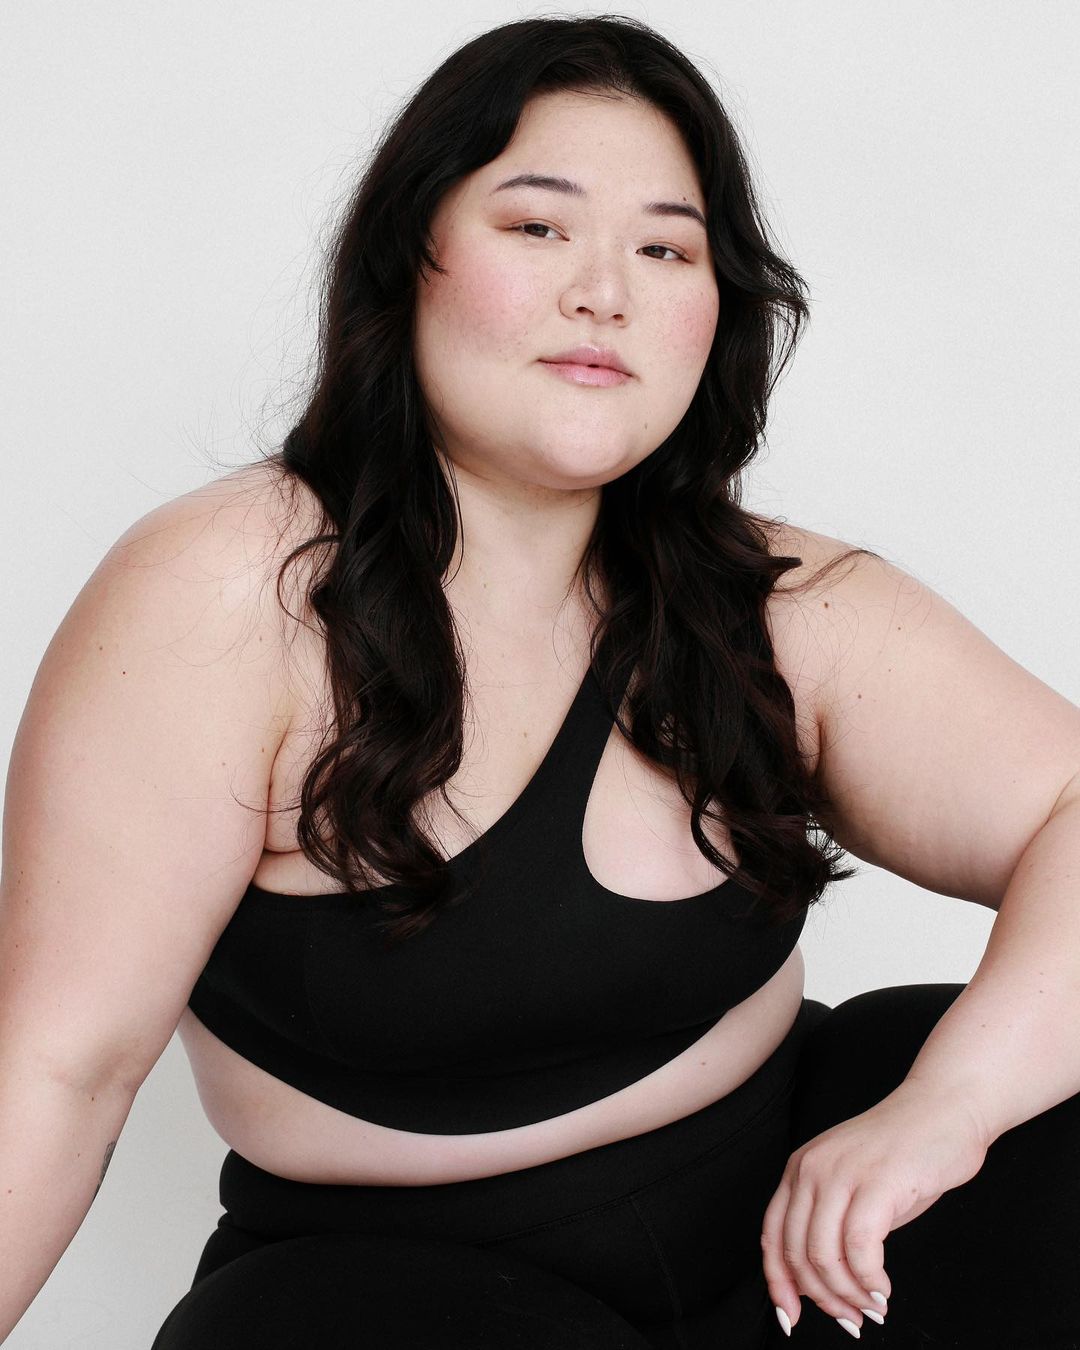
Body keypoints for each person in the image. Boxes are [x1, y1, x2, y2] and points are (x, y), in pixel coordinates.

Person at [2, 14, 1078, 1350]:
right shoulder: (232, 591)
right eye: (538, 226)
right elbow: (59, 1070)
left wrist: (945, 1110)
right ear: (408, 259)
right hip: (395, 1297)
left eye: (666, 249)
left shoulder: (783, 601)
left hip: (803, 1256)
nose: (604, 292)